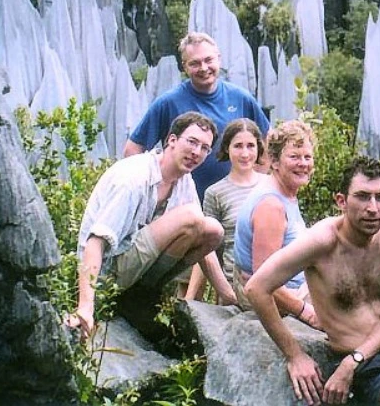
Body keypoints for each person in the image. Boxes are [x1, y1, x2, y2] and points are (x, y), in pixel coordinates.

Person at [245, 156, 380, 406]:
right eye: (362, 196)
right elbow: (256, 287)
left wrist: (353, 361)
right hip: (368, 365)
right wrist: (295, 355)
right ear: (341, 201)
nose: (373, 208)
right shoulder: (321, 241)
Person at [68, 112, 236, 341]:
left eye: (205, 148)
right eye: (192, 142)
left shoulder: (184, 181)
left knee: (212, 230)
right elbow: (95, 242)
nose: (197, 152)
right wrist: (85, 306)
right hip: (107, 272)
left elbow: (202, 238)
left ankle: (144, 294)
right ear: (172, 140)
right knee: (192, 216)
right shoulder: (133, 178)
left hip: (136, 269)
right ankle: (130, 297)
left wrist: (228, 296)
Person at [123, 32, 270, 200]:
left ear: (218, 59)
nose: (204, 68)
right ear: (184, 66)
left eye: (208, 60)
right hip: (180, 204)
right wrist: (149, 193)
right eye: (195, 63)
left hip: (232, 204)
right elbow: (133, 150)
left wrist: (255, 183)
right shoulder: (168, 103)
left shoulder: (241, 98)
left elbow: (268, 139)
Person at [233, 119, 317, 326]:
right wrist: (306, 312)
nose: (303, 164)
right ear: (275, 161)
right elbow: (262, 282)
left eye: (308, 157)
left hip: (296, 286)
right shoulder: (271, 206)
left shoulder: (285, 192)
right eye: (294, 157)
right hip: (284, 299)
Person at [184, 118, 267, 301]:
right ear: (227, 148)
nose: (245, 153)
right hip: (234, 292)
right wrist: (191, 298)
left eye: (250, 146)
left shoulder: (272, 186)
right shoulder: (215, 193)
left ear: (259, 149)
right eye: (238, 146)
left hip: (272, 287)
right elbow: (205, 249)